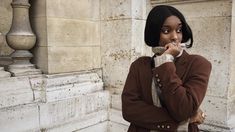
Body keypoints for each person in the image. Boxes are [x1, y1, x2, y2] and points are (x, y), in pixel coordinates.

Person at [121, 5, 212, 132]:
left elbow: (183, 108)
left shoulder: (198, 64)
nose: (175, 37)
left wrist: (165, 62)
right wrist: (186, 120)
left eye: (179, 30)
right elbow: (129, 110)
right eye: (166, 31)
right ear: (154, 33)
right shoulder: (139, 65)